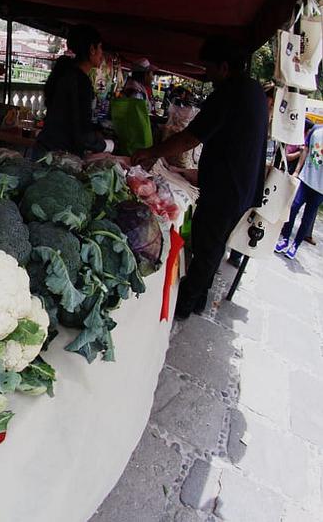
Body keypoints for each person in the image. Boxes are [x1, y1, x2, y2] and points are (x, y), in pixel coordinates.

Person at [132, 36, 267, 320]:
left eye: (209, 67)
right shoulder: (253, 89)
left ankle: (186, 305)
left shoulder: (229, 92)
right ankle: (198, 298)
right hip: (241, 186)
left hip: (226, 188)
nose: (207, 74)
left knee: (208, 245)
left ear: (224, 67)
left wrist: (151, 151)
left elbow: (190, 138)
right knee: (213, 244)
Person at [34, 24, 115, 157]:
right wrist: (107, 145)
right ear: (92, 49)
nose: (102, 53)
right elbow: (81, 130)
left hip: (46, 147)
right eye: (100, 47)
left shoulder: (66, 73)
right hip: (58, 156)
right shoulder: (80, 81)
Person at [274, 122, 323, 259]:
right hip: (305, 179)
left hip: (320, 189)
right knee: (293, 207)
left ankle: (295, 245)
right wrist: (297, 171)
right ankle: (285, 238)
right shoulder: (316, 129)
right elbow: (306, 150)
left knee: (307, 218)